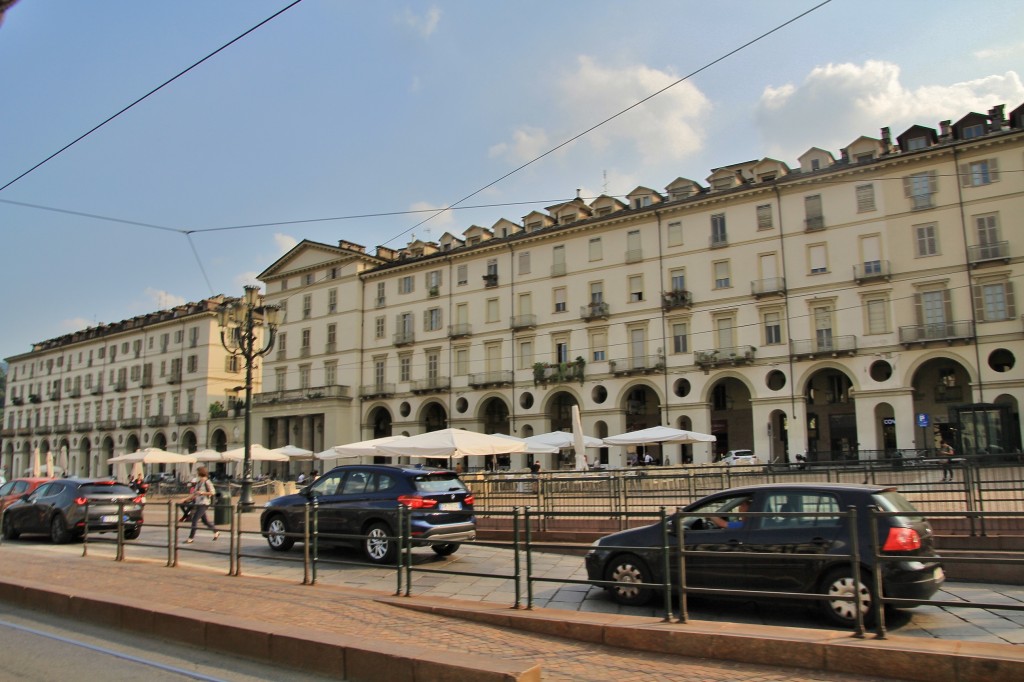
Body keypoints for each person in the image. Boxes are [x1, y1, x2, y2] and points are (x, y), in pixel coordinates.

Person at [184, 466, 219, 543]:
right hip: (198, 503)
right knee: (205, 521)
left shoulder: (207, 482)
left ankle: (191, 538)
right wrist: (185, 499)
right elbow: (194, 493)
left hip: (204, 503)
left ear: (200, 473)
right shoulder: (199, 482)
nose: (196, 474)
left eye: (197, 472)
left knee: (194, 520)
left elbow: (213, 492)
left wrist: (202, 493)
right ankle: (216, 531)